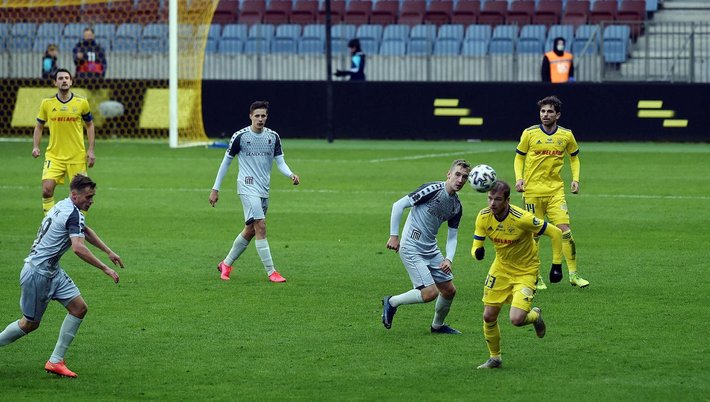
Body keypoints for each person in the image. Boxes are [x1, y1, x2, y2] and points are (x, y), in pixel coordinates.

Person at [0, 174, 124, 378]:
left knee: (79, 308)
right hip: (37, 273)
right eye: (88, 197)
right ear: (75, 195)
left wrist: (108, 251)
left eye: (92, 196)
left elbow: (84, 230)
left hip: (52, 270)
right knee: (29, 324)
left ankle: (55, 361)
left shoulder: (64, 206)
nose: (91, 201)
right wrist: (105, 268)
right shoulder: (73, 214)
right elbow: (78, 248)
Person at [471, 180, 562, 369]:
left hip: (526, 271)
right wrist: (477, 251)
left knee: (517, 319)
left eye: (497, 199)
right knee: (488, 316)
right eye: (490, 198)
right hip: (500, 269)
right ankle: (495, 358)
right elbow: (476, 244)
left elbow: (555, 233)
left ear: (507, 200)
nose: (492, 203)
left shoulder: (522, 218)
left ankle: (535, 316)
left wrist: (556, 265)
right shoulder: (483, 216)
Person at [209, 100, 300, 283]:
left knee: (251, 230)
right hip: (247, 185)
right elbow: (226, 163)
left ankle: (226, 264)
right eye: (257, 115)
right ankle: (271, 272)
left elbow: (280, 162)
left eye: (263, 116)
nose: (260, 119)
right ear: (250, 116)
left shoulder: (273, 137)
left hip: (263, 188)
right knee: (261, 225)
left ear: (267, 117)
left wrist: (290, 174)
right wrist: (215, 189)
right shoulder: (240, 137)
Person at [381, 159, 471, 334]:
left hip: (431, 249)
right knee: (430, 293)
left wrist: (448, 259)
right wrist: (394, 236)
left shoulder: (456, 206)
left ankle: (437, 326)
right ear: (449, 174)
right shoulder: (432, 190)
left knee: (449, 290)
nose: (460, 180)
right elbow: (398, 205)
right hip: (411, 247)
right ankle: (391, 302)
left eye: (465, 177)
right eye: (457, 174)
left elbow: (452, 236)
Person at [514, 95, 589, 289]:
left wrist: (575, 179)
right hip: (532, 193)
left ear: (558, 115)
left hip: (555, 192)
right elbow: (519, 157)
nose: (545, 115)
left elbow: (574, 157)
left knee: (565, 231)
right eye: (542, 111)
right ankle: (535, 276)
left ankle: (573, 274)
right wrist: (519, 178)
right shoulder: (529, 133)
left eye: (549, 111)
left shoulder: (566, 135)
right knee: (534, 236)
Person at [32, 68, 96, 215]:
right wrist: (35, 146)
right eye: (60, 78)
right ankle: (50, 222)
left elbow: (90, 125)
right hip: (54, 156)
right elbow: (39, 126)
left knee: (83, 195)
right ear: (55, 82)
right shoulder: (47, 103)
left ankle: (77, 224)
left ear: (71, 81)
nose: (64, 80)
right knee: (46, 190)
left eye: (67, 78)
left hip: (77, 156)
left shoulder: (81, 102)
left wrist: (91, 150)